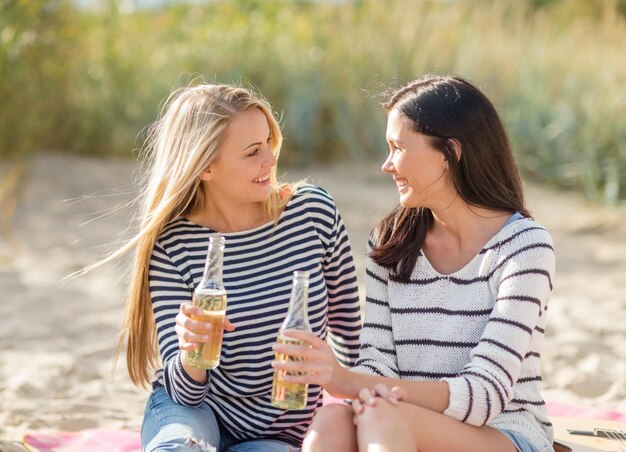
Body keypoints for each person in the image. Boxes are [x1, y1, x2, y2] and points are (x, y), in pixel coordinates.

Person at [271, 75, 555, 452]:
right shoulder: (391, 242)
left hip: (504, 432)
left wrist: (349, 383)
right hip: (398, 421)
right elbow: (376, 363)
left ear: (449, 153)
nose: (387, 165)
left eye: (397, 147)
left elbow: (485, 395)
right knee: (332, 420)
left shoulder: (524, 246)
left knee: (381, 415)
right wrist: (363, 388)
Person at [102, 83, 362, 451]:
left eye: (269, 143)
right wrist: (193, 350)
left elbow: (351, 338)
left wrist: (359, 408)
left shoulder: (312, 213)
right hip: (193, 410)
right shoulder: (174, 244)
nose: (270, 160)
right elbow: (186, 393)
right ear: (205, 166)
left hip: (277, 430)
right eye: (253, 152)